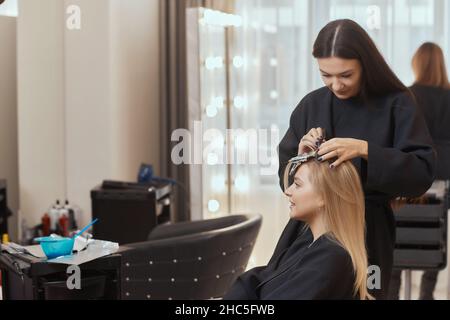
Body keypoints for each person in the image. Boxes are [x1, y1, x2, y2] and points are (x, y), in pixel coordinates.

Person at [275, 19, 436, 300]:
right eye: (326, 75)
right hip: (309, 232)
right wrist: (300, 157)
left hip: (367, 233)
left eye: (345, 75)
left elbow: (421, 174)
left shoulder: (397, 103)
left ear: (365, 64)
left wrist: (366, 150)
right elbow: (286, 179)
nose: (335, 85)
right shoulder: (311, 105)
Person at [224, 153, 372, 299]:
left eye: (297, 184)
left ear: (324, 196)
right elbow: (259, 279)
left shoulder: (330, 258)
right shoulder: (307, 244)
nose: (288, 191)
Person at [388, 42, 450, 300]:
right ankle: (426, 292)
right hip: (444, 176)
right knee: (436, 235)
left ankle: (392, 292)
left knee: (400, 235)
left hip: (412, 173)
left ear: (417, 64)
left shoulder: (407, 96)